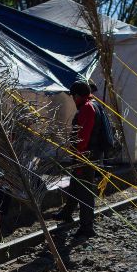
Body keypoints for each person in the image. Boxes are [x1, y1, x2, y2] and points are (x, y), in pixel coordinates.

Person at [55, 81, 100, 238]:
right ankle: (67, 213)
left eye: (73, 96)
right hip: (87, 155)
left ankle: (87, 227)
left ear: (78, 95)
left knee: (85, 192)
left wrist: (79, 158)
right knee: (75, 184)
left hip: (85, 156)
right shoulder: (94, 104)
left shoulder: (87, 108)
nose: (73, 100)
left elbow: (83, 136)